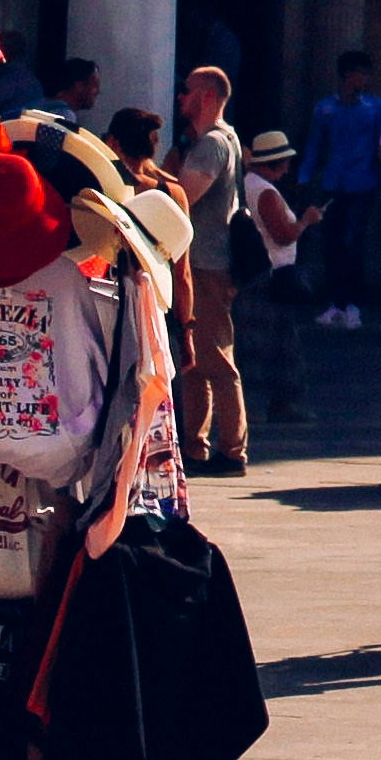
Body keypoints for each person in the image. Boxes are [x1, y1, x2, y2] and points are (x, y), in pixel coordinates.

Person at [164, 64, 252, 475]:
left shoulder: (214, 143)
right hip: (200, 259)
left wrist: (153, 178)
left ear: (206, 97)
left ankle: (232, 450)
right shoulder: (220, 139)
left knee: (215, 356)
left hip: (208, 263)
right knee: (195, 358)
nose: (181, 98)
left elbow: (184, 195)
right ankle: (194, 445)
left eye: (187, 92)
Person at [305, 50, 381, 326]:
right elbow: (315, 145)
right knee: (331, 242)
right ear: (346, 75)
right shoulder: (325, 108)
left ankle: (352, 302)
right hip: (334, 183)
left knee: (352, 241)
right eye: (360, 73)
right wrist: (305, 177)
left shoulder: (376, 108)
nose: (364, 79)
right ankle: (335, 301)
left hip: (363, 183)